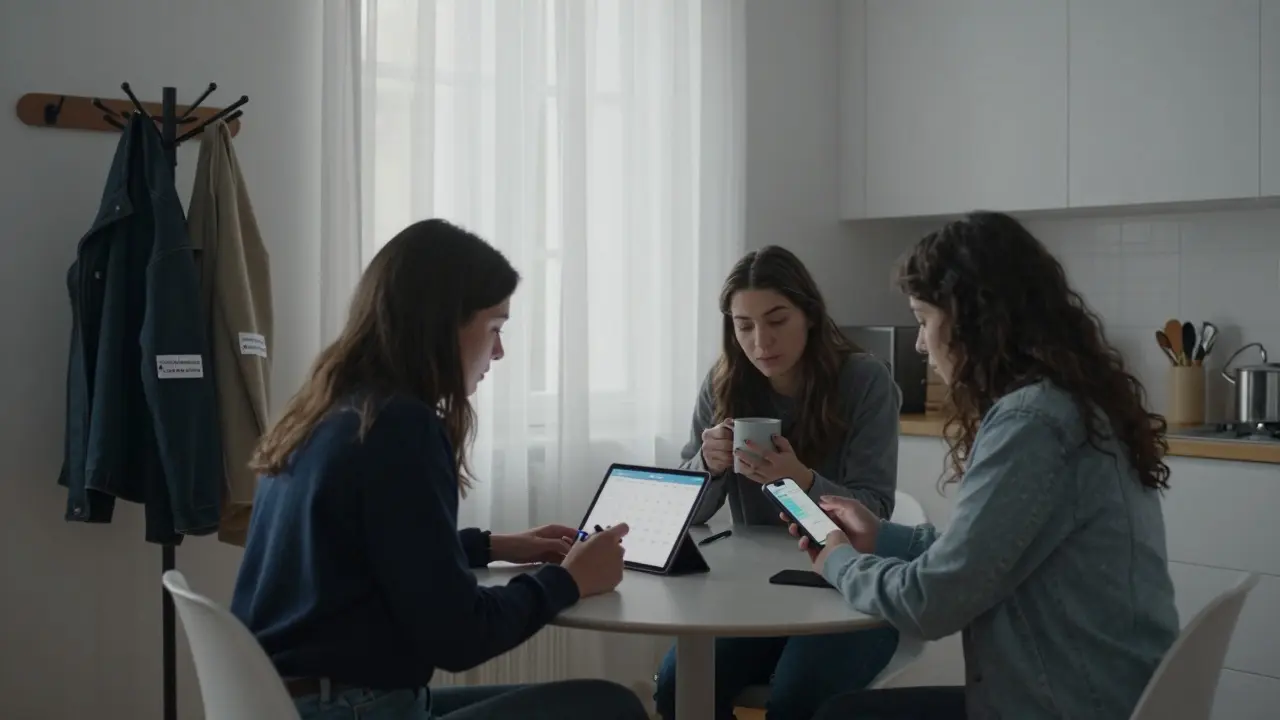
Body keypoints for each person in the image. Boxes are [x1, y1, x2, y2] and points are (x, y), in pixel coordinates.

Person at [230, 219, 648, 720]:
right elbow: (459, 638)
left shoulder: (330, 410)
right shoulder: (398, 427)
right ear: (442, 323)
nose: (499, 351)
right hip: (351, 708)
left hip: (286, 700)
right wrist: (571, 582)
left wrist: (491, 545)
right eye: (494, 327)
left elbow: (364, 553)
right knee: (609, 705)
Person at [792, 211, 1179, 720]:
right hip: (1104, 692)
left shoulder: (1033, 423)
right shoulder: (1076, 404)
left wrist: (838, 560)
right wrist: (882, 536)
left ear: (975, 321)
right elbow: (988, 552)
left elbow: (931, 602)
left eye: (924, 319)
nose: (918, 342)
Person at [653, 245, 904, 720]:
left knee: (796, 703)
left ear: (809, 315)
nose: (760, 341)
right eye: (743, 325)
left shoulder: (866, 381)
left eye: (776, 320)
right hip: (758, 587)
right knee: (676, 689)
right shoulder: (724, 383)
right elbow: (689, 511)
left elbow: (874, 514)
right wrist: (708, 466)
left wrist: (801, 480)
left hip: (850, 588)